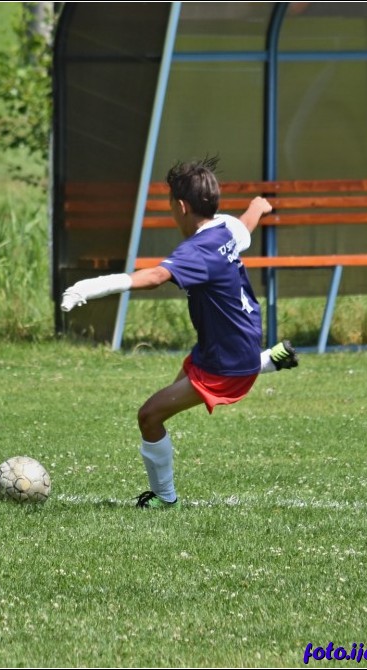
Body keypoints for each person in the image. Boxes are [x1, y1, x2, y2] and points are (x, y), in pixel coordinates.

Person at [61, 157, 298, 509]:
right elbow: (246, 227)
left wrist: (92, 286)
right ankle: (270, 359)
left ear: (182, 206)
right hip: (232, 342)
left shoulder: (197, 250)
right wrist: (257, 206)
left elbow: (155, 277)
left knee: (149, 416)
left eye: (171, 204)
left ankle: (165, 498)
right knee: (169, 397)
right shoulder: (225, 228)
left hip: (225, 362)